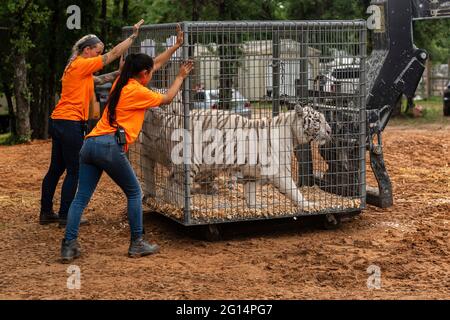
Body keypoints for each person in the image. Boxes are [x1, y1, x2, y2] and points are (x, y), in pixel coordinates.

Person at [60, 47, 194, 262]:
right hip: (109, 146)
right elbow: (168, 98)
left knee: (81, 198)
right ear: (143, 75)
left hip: (90, 144)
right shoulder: (137, 91)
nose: (151, 75)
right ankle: (137, 242)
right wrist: (180, 76)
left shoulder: (119, 84)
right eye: (150, 73)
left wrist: (174, 47)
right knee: (134, 193)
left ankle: (68, 245)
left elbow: (153, 64)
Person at [40, 20, 144, 227]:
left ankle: (46, 212)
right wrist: (133, 36)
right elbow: (113, 54)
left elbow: (98, 80)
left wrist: (119, 73)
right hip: (70, 123)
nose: (99, 56)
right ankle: (65, 216)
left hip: (59, 121)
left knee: (56, 168)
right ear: (87, 50)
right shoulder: (81, 64)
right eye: (97, 52)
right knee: (75, 170)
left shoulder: (76, 68)